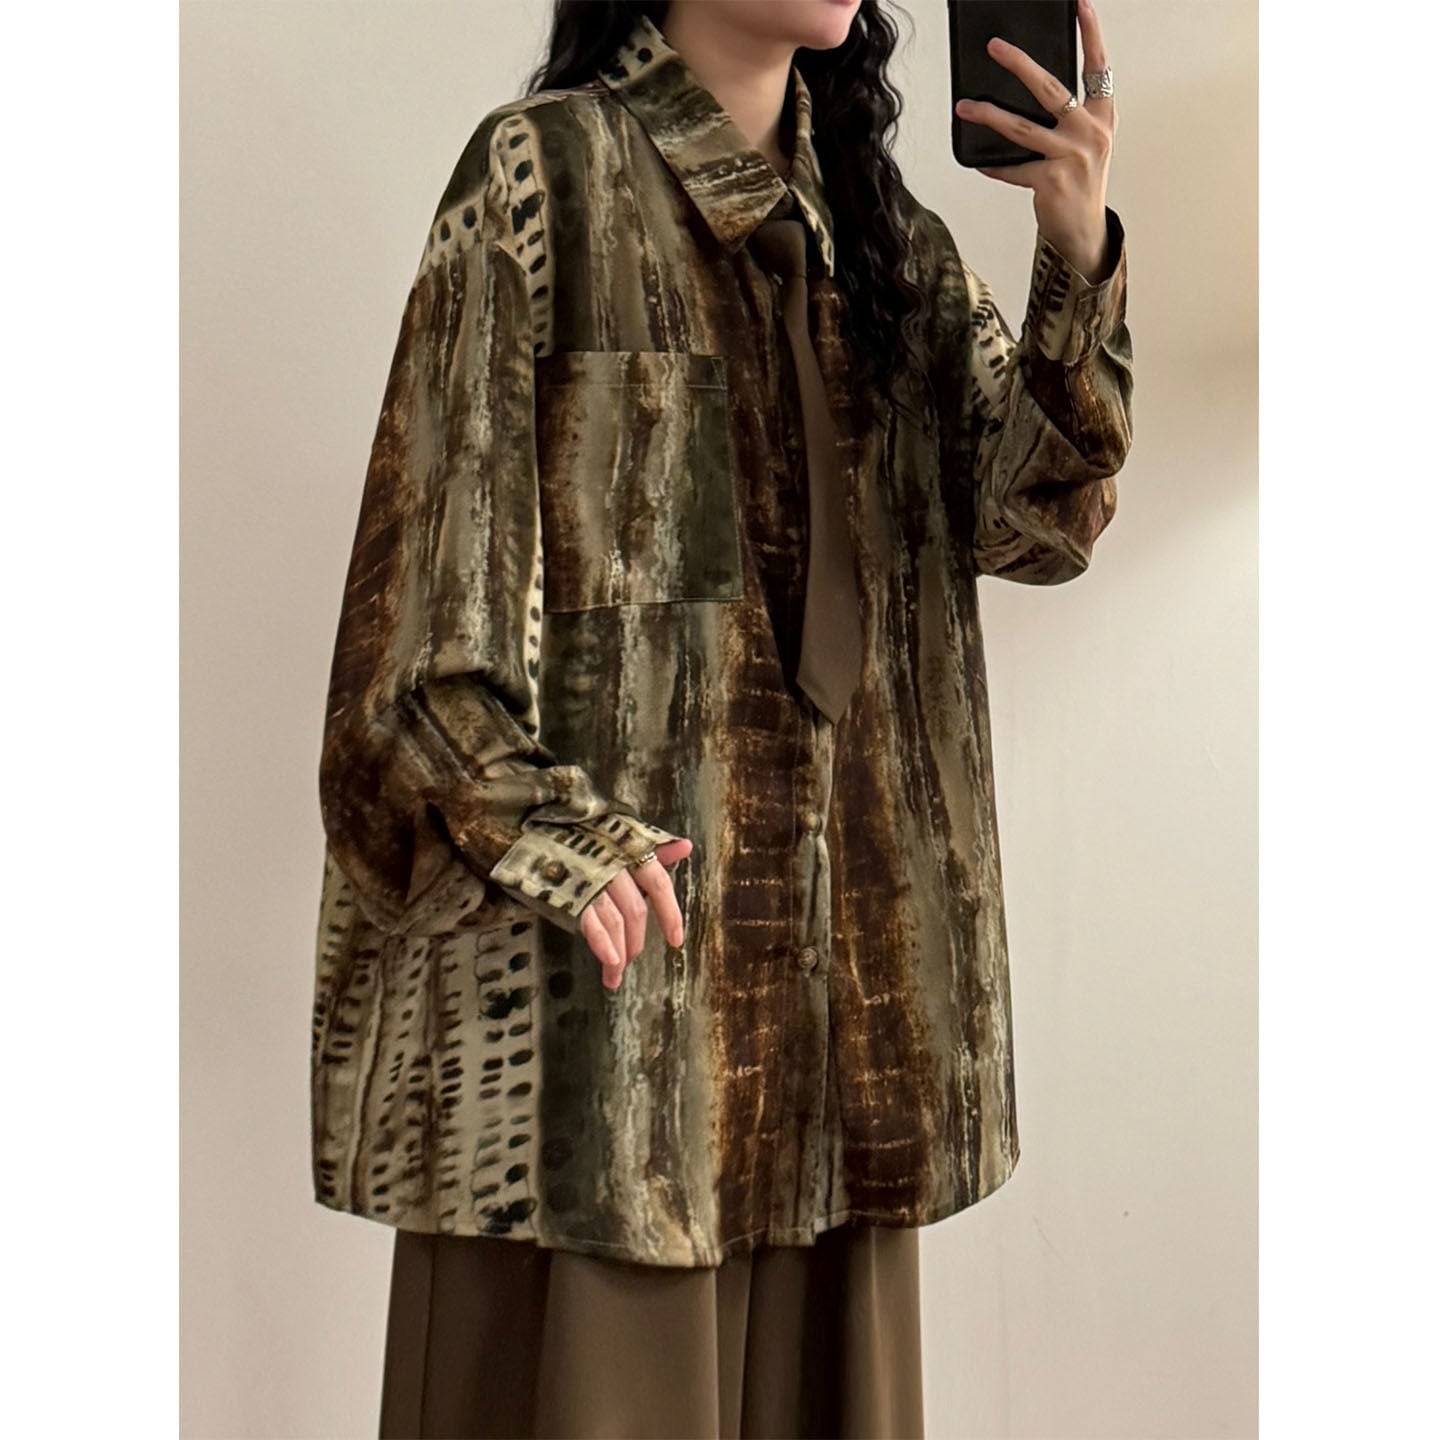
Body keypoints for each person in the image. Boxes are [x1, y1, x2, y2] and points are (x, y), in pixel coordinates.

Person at [307, 1, 1131, 1435]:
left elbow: (1036, 520)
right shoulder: (542, 178)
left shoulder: (886, 238)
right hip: (600, 1058)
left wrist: (1077, 254)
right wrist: (557, 838)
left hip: (845, 1049)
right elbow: (420, 626)